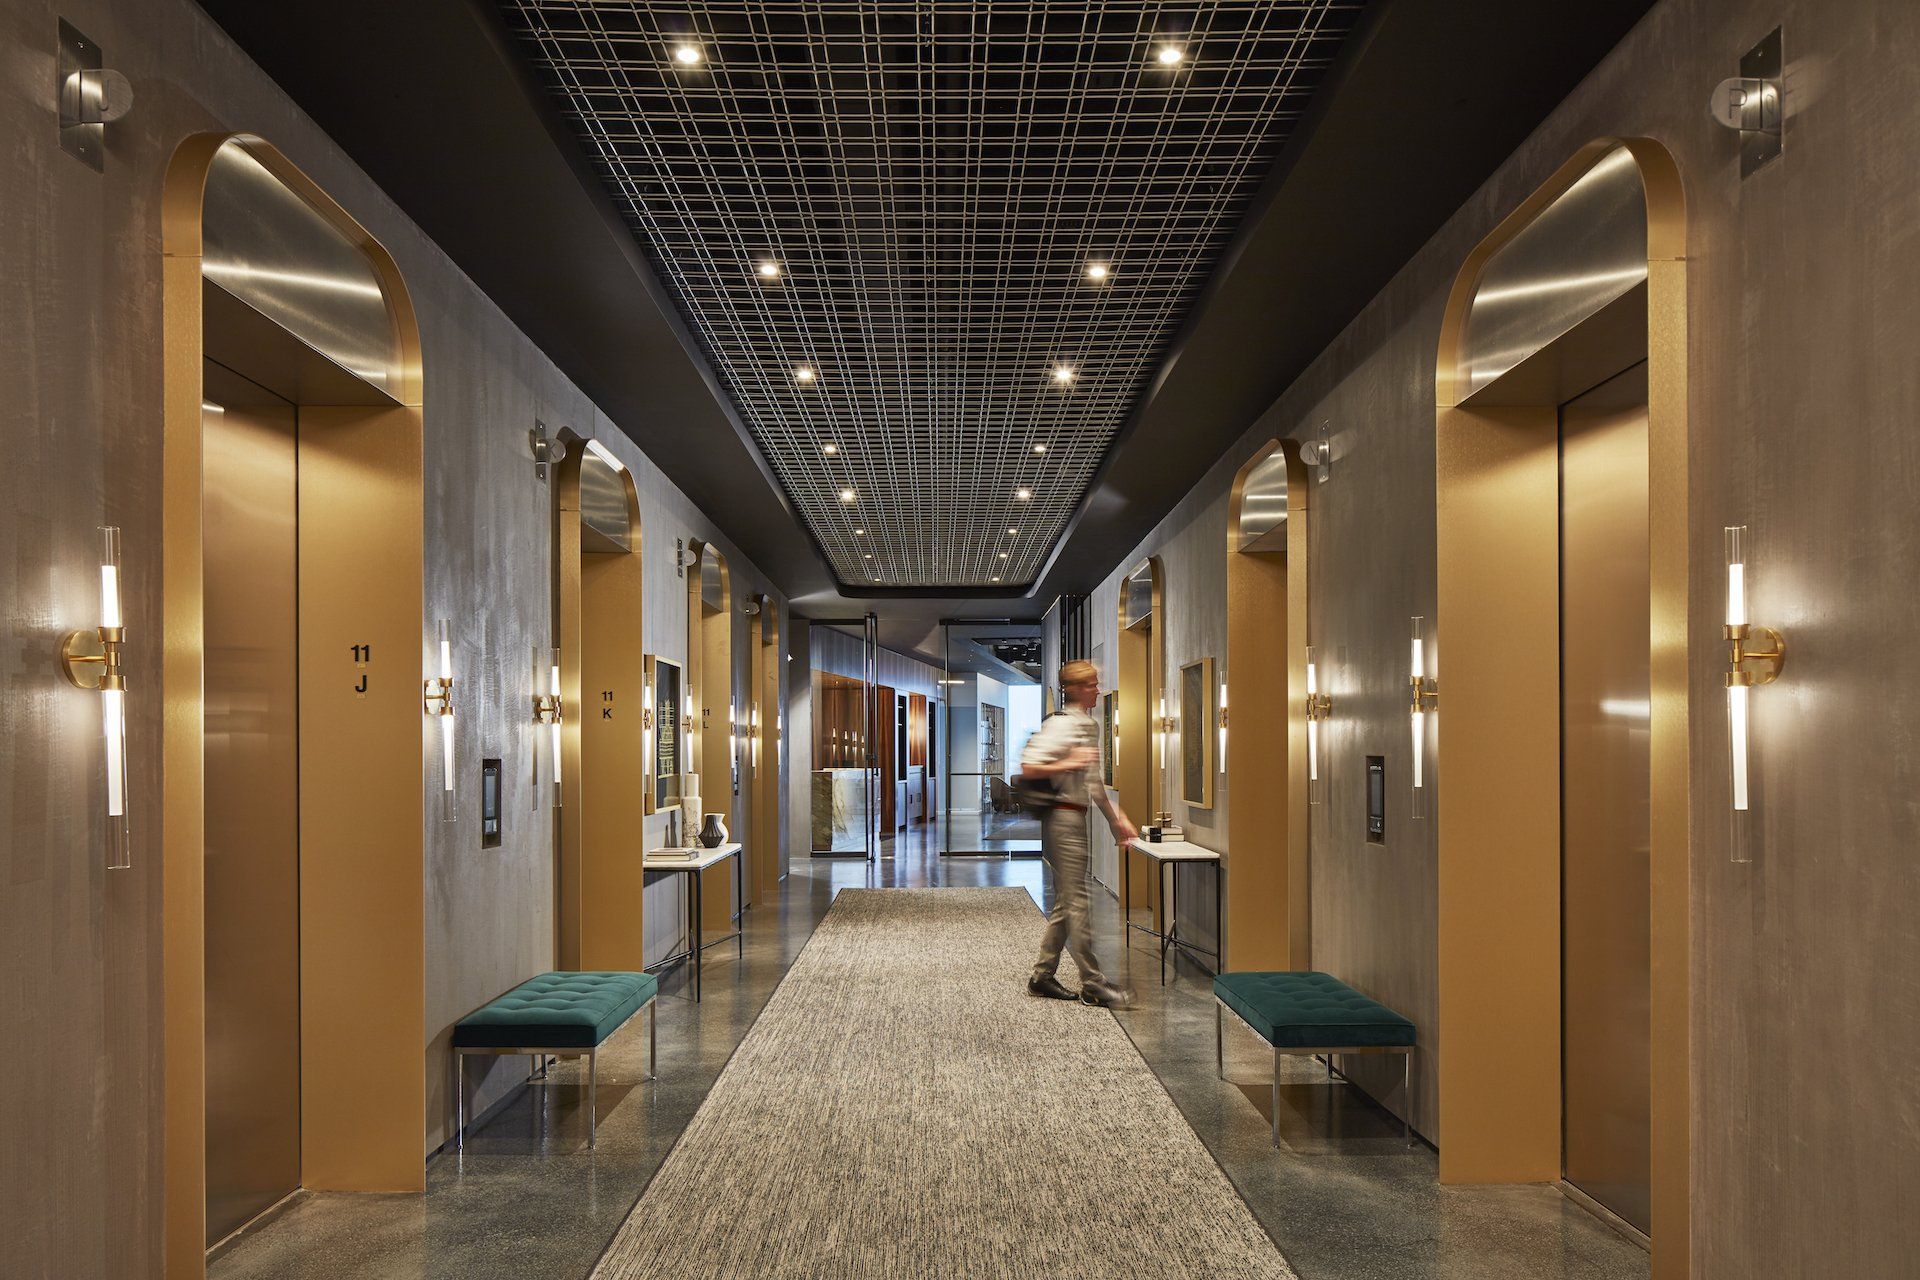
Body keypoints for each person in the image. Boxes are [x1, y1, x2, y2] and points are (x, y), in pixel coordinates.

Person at [1023, 659, 1138, 1008]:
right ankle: (1093, 983)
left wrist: (1114, 819)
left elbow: (1093, 783)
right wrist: (1068, 763)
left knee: (1067, 900)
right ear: (1073, 688)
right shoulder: (1062, 725)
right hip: (1062, 818)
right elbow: (1030, 767)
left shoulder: (1087, 724)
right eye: (1090, 684)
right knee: (1078, 901)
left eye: (1096, 682)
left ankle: (1042, 975)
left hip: (1076, 816)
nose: (1097, 689)